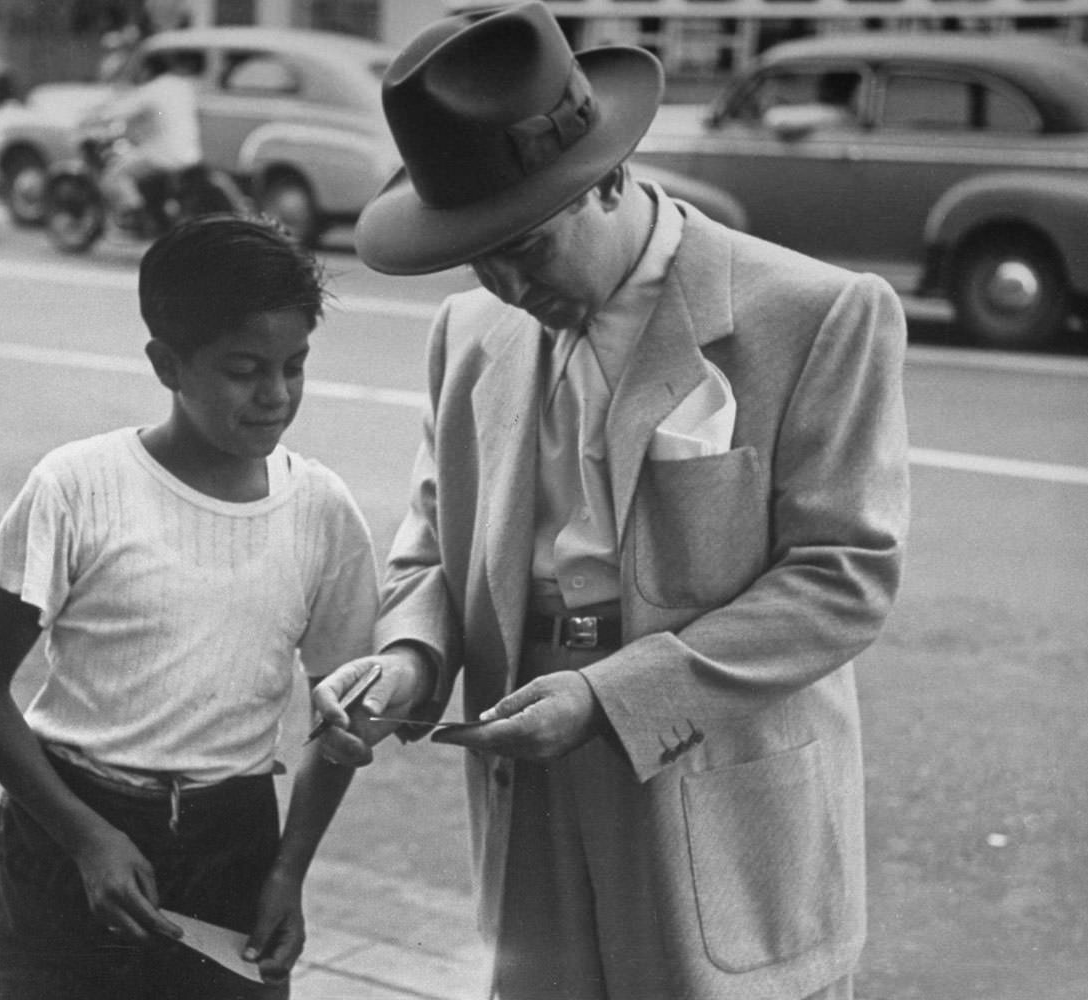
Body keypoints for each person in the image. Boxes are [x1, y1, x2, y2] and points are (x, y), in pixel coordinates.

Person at [312, 4, 910, 1000]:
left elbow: (842, 580)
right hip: (527, 775)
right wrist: (407, 660)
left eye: (529, 248)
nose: (506, 284)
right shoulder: (467, 338)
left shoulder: (813, 315)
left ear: (611, 178)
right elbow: (429, 548)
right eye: (478, 255)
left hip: (713, 789)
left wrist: (608, 696)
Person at [0, 214, 379, 1000]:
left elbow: (339, 719)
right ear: (167, 364)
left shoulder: (320, 507)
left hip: (234, 842)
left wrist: (288, 873)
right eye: (244, 369)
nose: (275, 395)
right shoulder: (78, 485)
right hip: (67, 823)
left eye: (295, 365)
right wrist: (86, 838)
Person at [90, 51, 204, 230]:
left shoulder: (151, 90)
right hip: (191, 156)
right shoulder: (183, 86)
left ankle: (135, 215)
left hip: (162, 157)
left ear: (147, 70)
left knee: (113, 176)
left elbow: (115, 112)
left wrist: (93, 116)